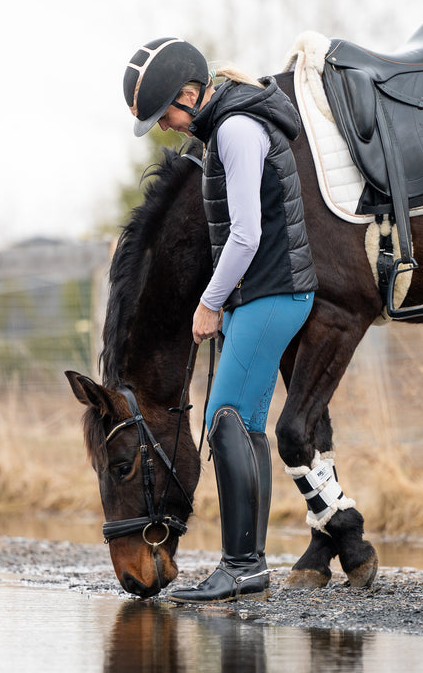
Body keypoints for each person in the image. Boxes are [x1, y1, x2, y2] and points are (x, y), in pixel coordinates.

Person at [123, 37, 318, 603]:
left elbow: (247, 234)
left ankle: (241, 565)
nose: (165, 127)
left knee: (224, 416)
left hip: (270, 291)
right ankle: (249, 564)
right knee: (245, 423)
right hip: (265, 293)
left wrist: (209, 302)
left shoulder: (234, 130)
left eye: (165, 115)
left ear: (188, 94)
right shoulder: (226, 126)